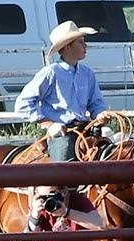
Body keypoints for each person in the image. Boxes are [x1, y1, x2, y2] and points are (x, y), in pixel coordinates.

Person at [14, 20, 109, 162]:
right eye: (80, 42)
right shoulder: (50, 73)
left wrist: (100, 113)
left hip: (85, 130)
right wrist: (49, 124)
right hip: (63, 132)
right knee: (64, 163)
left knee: (112, 152)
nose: (85, 46)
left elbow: (95, 103)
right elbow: (23, 103)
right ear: (67, 47)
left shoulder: (87, 73)